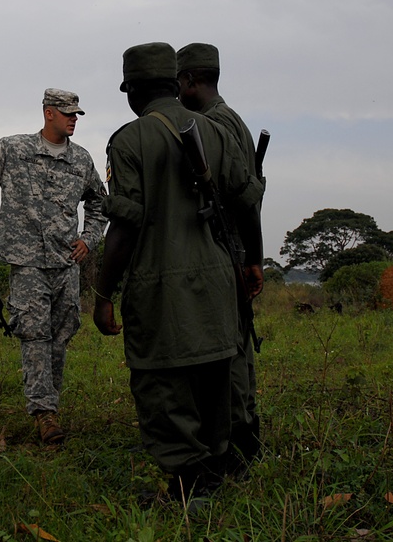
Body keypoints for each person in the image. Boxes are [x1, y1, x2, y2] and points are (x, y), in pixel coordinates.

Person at [92, 42, 263, 502]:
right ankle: (214, 472)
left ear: (134, 90)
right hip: (217, 280)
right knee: (214, 376)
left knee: (164, 384)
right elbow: (248, 200)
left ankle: (190, 486)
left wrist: (104, 292)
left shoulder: (128, 140)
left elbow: (124, 226)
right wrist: (252, 261)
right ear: (175, 83)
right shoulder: (217, 131)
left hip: (158, 285)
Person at [0, 88, 107, 444]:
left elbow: (100, 203)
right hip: (27, 263)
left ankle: (50, 405)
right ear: (48, 112)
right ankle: (44, 414)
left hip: (65, 264)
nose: (73, 119)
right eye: (67, 113)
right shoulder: (14, 149)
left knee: (60, 335)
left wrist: (89, 238)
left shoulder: (81, 160)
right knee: (35, 335)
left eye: (76, 114)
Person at [177, 42, 265, 474]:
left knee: (229, 350)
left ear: (191, 80)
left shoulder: (214, 125)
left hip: (226, 247)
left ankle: (237, 442)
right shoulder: (231, 121)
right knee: (235, 345)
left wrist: (252, 259)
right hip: (234, 247)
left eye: (180, 81)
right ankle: (240, 435)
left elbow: (246, 199)